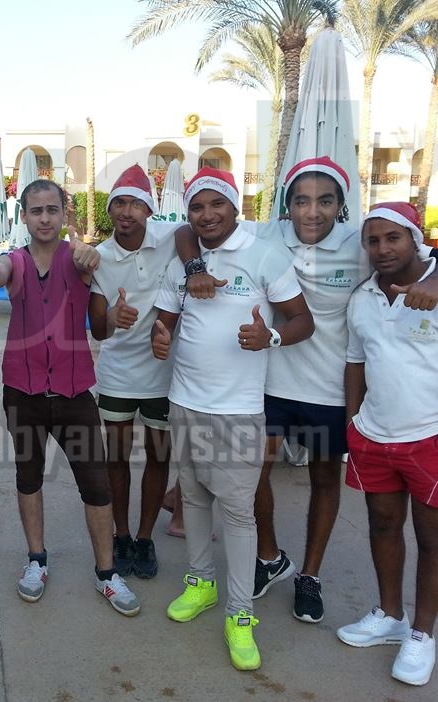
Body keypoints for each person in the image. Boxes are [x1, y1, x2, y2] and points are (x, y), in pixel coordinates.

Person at [180, 157, 438, 624]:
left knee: (323, 480)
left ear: (340, 206)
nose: (311, 212)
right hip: (270, 382)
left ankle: (309, 575)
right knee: (254, 475)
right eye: (301, 200)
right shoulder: (267, 234)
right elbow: (188, 230)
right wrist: (195, 264)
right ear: (287, 206)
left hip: (330, 389)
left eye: (324, 201)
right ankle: (270, 556)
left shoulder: (362, 243)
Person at [152, 168, 314, 670]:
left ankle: (240, 614)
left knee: (240, 513)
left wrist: (270, 338)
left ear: (235, 206)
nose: (207, 216)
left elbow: (302, 320)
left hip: (239, 409)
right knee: (194, 498)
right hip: (185, 401)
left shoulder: (264, 255)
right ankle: (201, 583)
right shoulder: (184, 261)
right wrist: (160, 337)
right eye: (197, 207)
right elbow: (165, 320)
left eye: (216, 204)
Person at [337, 202, 438, 686]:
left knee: (432, 538)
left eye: (393, 238)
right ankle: (390, 616)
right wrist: (353, 424)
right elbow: (356, 363)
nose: (382, 249)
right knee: (382, 525)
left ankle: (422, 634)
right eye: (373, 240)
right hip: (373, 435)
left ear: (414, 239)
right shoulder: (363, 297)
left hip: (430, 441)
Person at [0, 179, 141, 616]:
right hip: (23, 392)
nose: (45, 218)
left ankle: (106, 572)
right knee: (27, 477)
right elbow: (2, 270)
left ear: (64, 214)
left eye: (52, 210)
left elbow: (91, 266)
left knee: (96, 483)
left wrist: (101, 286)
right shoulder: (16, 260)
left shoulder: (80, 258)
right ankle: (37, 559)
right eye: (36, 211)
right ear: (24, 216)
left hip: (73, 393)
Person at [88, 164, 179, 579]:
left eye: (136, 204)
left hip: (164, 370)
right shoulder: (101, 258)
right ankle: (122, 534)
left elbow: (194, 237)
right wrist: (113, 316)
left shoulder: (171, 239)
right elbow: (98, 329)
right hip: (118, 373)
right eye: (119, 203)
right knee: (117, 458)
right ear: (110, 209)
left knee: (159, 456)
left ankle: (145, 537)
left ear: (150, 209)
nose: (127, 211)